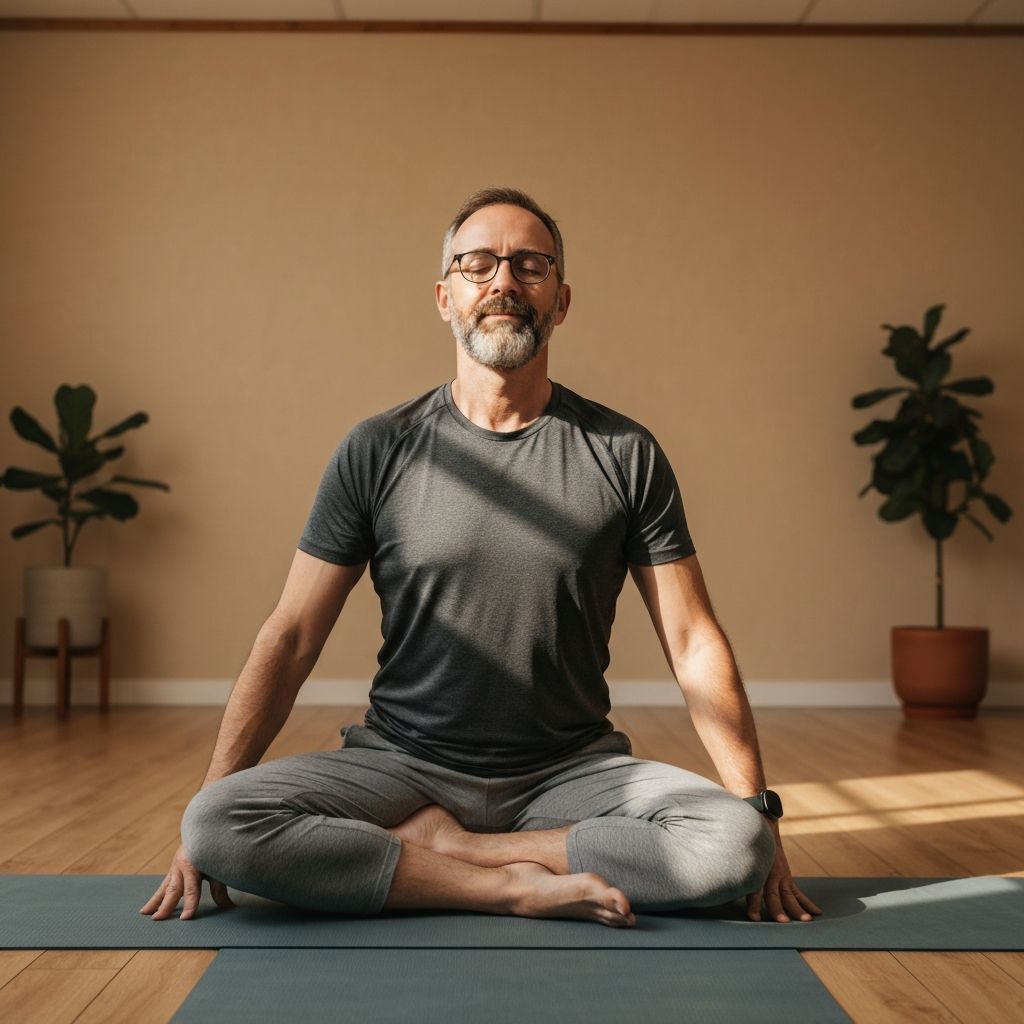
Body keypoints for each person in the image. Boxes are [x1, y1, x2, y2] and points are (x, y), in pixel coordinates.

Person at [141, 186, 822, 929]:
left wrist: (759, 812)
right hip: (400, 767)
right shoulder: (376, 449)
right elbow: (292, 634)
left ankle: (450, 852)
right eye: (478, 265)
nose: (504, 282)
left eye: (530, 266)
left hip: (573, 772)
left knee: (734, 842)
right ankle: (509, 884)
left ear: (561, 301)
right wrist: (210, 801)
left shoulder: (625, 453)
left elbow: (692, 642)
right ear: (444, 297)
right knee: (215, 822)